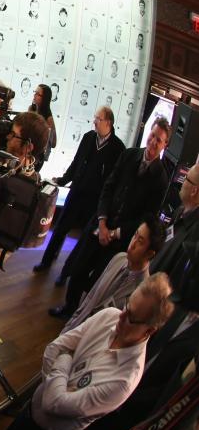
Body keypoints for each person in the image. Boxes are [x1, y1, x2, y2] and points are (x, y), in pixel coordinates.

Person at [0, 275, 174, 430]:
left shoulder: (124, 380)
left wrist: (66, 357)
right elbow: (53, 349)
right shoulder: (109, 315)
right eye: (127, 305)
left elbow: (54, 403)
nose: (121, 316)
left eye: (131, 317)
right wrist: (63, 378)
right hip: (30, 409)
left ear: (149, 331)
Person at [51, 118, 171, 318]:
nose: (152, 142)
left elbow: (147, 217)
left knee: (100, 280)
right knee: (79, 268)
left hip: (121, 240)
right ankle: (69, 308)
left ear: (164, 144)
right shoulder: (129, 154)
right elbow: (109, 186)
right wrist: (102, 221)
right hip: (100, 225)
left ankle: (86, 316)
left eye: (158, 140)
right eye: (152, 136)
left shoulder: (161, 179)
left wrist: (115, 233)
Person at [35, 107, 125, 273]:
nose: (94, 122)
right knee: (61, 228)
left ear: (108, 123)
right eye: (95, 117)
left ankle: (66, 273)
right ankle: (46, 262)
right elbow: (76, 163)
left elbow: (115, 180)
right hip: (76, 192)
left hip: (95, 201)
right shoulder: (88, 138)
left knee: (84, 239)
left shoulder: (118, 149)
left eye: (98, 119)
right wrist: (63, 179)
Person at [62, 216, 163, 333]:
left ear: (150, 254)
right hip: (75, 328)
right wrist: (69, 326)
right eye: (135, 235)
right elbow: (90, 298)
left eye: (140, 241)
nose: (133, 243)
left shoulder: (142, 292)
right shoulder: (119, 258)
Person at [149, 160, 199, 287]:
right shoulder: (179, 211)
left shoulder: (194, 235)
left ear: (194, 191)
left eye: (186, 178)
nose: (181, 182)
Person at [28, 84, 56, 169]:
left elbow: (54, 143)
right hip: (26, 151)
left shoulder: (48, 118)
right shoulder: (31, 109)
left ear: (44, 99)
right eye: (35, 92)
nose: (34, 95)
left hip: (36, 158)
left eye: (38, 94)